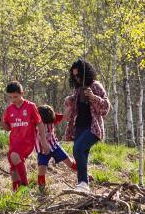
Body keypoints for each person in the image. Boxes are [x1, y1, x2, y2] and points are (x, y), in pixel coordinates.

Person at [64, 59, 111, 193]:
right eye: (74, 76)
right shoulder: (78, 89)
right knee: (81, 153)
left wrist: (93, 97)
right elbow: (73, 103)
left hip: (93, 128)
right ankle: (83, 185)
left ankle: (83, 182)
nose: (77, 78)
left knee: (78, 149)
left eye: (79, 75)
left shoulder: (95, 86)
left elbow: (106, 108)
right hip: (79, 127)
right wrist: (70, 100)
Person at [1, 81, 47, 192]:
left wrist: (43, 142)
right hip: (14, 142)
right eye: (11, 97)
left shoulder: (30, 106)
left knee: (15, 156)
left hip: (27, 141)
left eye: (15, 96)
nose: (13, 99)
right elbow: (8, 128)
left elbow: (39, 123)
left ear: (22, 93)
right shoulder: (9, 110)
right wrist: (0, 121)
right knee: (13, 166)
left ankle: (25, 186)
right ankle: (17, 191)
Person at [35, 105, 77, 189]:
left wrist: (70, 106)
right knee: (41, 169)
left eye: (49, 122)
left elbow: (65, 116)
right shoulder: (33, 122)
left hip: (55, 147)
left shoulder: (51, 117)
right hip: (42, 151)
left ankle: (84, 174)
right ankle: (41, 188)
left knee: (69, 162)